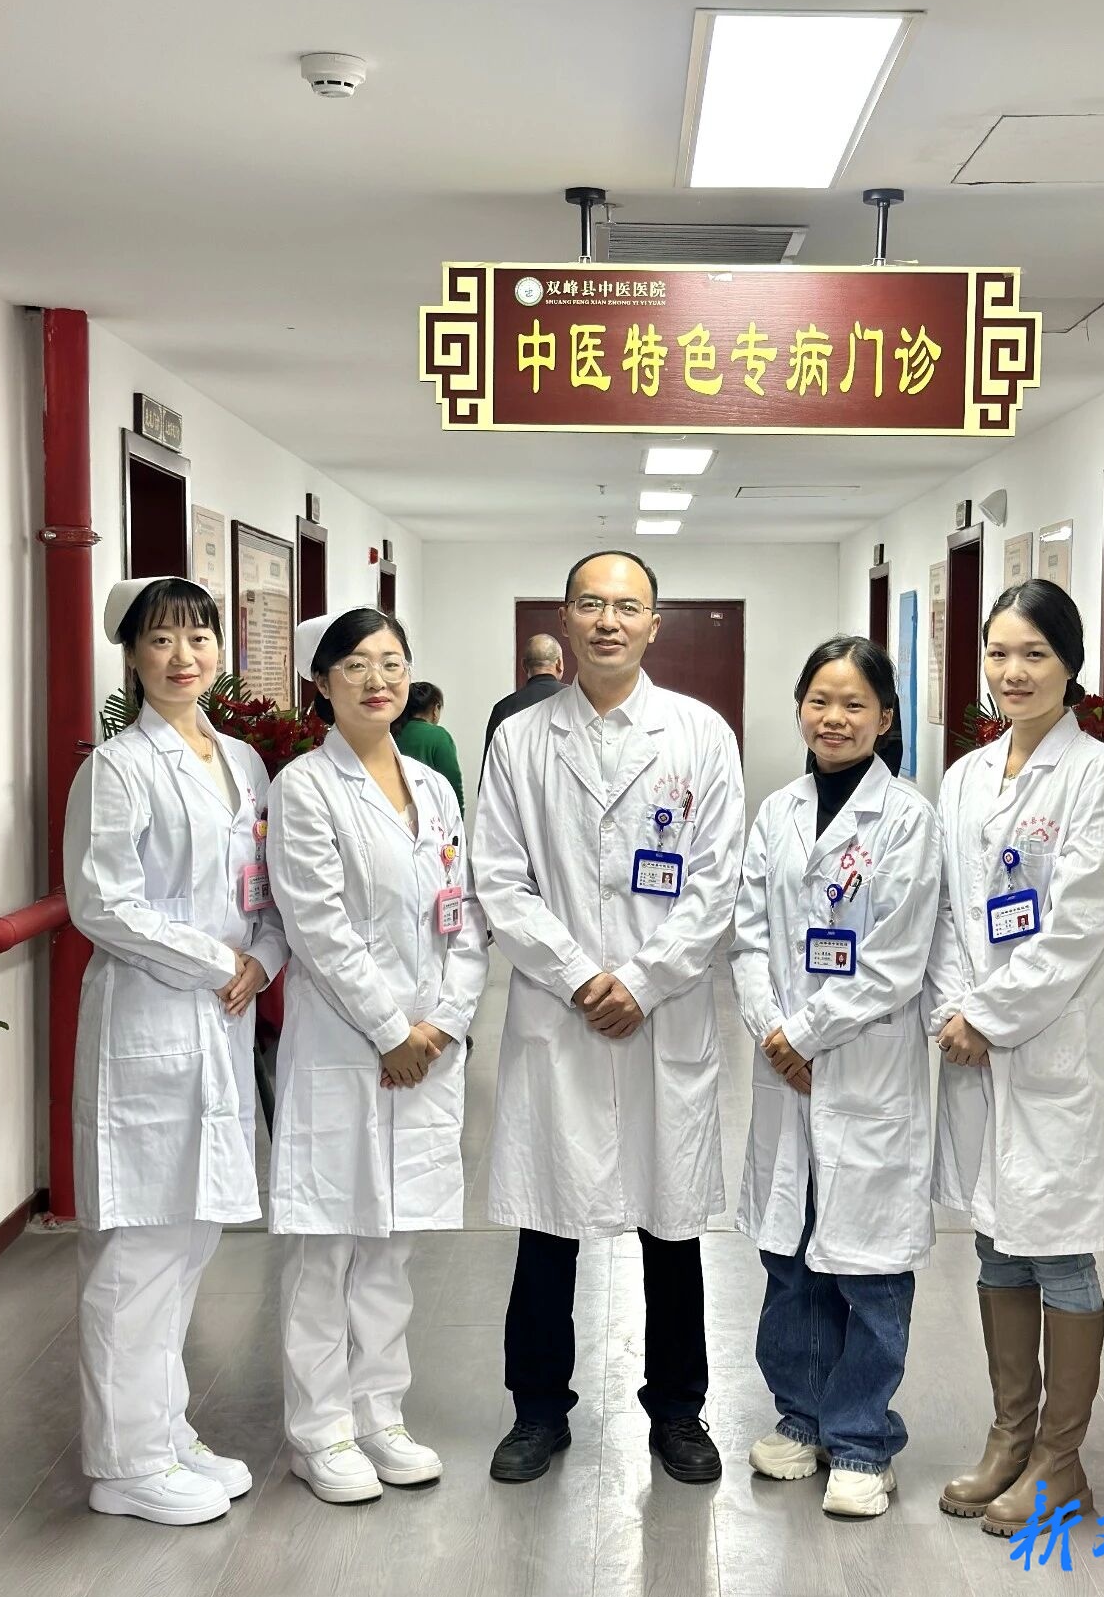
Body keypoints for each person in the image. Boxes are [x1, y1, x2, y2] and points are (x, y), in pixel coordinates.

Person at [473, 550, 745, 1486]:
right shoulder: (520, 740)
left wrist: (644, 980)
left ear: (654, 624)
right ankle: (537, 1411)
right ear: (565, 619)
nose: (608, 622)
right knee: (546, 1226)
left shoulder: (700, 735)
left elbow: (717, 882)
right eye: (591, 604)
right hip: (562, 1016)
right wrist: (583, 976)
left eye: (627, 607)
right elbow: (499, 878)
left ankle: (679, 1411)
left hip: (661, 1017)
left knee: (671, 1228)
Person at [63, 576, 289, 1526]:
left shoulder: (243, 759)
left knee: (190, 1239)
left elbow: (266, 887)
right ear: (132, 655)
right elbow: (103, 904)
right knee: (140, 1249)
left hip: (221, 1021)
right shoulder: (118, 768)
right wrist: (221, 961)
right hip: (150, 1022)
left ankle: (160, 1428)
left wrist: (264, 957)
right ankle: (123, 1462)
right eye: (160, 640)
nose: (183, 655)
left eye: (199, 636)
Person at [926, 578, 1104, 1538]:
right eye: (999, 654)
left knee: (1058, 1250)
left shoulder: (1099, 778)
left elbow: (1079, 928)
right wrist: (955, 1011)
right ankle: (1011, 1440)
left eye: (1034, 655)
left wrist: (990, 1014)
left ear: (1070, 665)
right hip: (977, 1052)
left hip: (1052, 1050)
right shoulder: (967, 777)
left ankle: (1062, 1461)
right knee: (995, 1242)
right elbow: (945, 911)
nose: (1012, 673)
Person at [267, 607, 487, 1505]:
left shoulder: (432, 789)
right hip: (345, 1045)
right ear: (321, 683)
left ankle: (380, 1413)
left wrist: (444, 1023)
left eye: (391, 662)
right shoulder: (303, 788)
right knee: (326, 1249)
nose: (376, 680)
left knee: (393, 1248)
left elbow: (463, 917)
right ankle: (319, 1430)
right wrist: (392, 1032)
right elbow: (317, 926)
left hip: (424, 1051)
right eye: (354, 665)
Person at [731, 637, 939, 1518]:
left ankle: (861, 1440)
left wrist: (806, 1034)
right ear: (800, 709)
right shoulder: (776, 813)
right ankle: (801, 1417)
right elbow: (746, 934)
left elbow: (897, 959)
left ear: (886, 718)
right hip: (789, 1065)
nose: (835, 718)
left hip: (863, 1067)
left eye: (855, 704)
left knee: (870, 1268)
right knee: (791, 1255)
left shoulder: (910, 820)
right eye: (820, 700)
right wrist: (773, 1030)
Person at [480, 634, 566, 786]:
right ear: (559, 663)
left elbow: (489, 777)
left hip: (518, 797)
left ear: (524, 665)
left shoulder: (503, 709)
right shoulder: (578, 702)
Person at [395, 680, 464, 813]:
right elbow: (453, 784)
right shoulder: (439, 736)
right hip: (432, 815)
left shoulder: (392, 733)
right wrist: (458, 817)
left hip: (398, 812)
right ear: (435, 708)